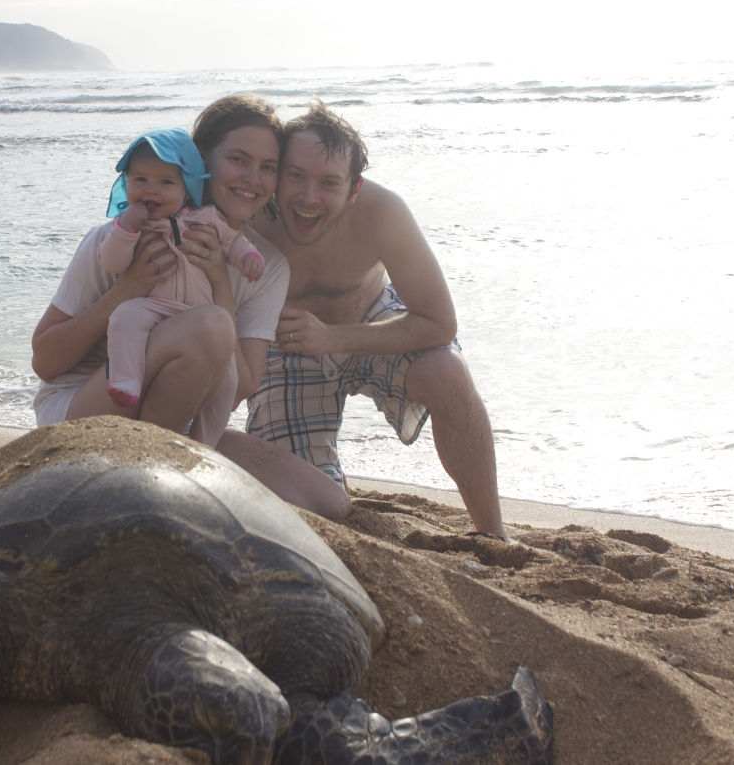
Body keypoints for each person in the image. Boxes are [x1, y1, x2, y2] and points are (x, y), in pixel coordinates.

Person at [31, 94, 350, 519]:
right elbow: (45, 361)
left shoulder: (265, 266)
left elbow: (241, 385)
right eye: (238, 159)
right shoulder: (122, 238)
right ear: (201, 161)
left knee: (330, 503)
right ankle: (144, 497)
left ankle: (160, 471)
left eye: (268, 167)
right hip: (81, 413)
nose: (252, 178)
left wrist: (220, 280)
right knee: (211, 328)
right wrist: (126, 290)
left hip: (180, 419)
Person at [238, 100, 510, 540]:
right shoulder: (246, 219)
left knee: (448, 372)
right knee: (316, 507)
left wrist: (332, 337)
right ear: (276, 174)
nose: (308, 198)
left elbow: (440, 323)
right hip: (284, 345)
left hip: (370, 324)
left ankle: (494, 535)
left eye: (328, 183)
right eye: (295, 177)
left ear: (354, 188)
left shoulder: (383, 212)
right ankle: (327, 477)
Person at [98, 128, 264, 447]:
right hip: (155, 312)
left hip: (198, 316)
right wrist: (125, 229)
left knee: (227, 379)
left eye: (166, 182)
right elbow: (111, 262)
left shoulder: (206, 218)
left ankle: (204, 444)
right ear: (125, 184)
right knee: (125, 316)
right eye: (140, 180)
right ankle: (125, 381)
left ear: (187, 187)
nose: (152, 190)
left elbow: (233, 242)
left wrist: (248, 256)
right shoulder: (131, 227)